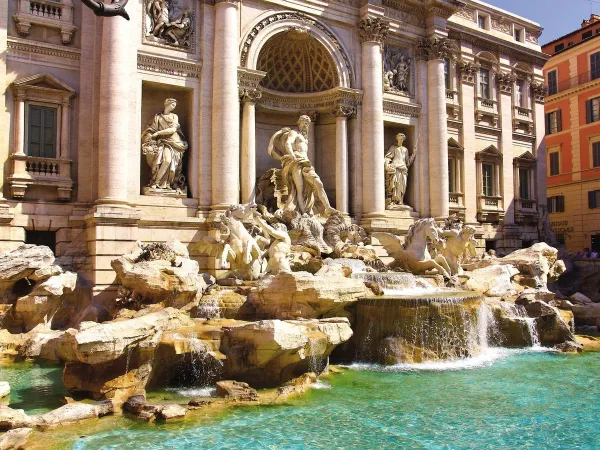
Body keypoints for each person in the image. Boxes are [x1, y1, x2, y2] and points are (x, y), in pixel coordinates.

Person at [267, 115, 336, 217]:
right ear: (299, 122)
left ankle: (328, 208)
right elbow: (288, 143)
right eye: (304, 122)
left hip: (306, 163)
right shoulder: (294, 132)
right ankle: (303, 212)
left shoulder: (305, 137)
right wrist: (292, 155)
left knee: (318, 183)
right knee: (299, 188)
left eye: (308, 123)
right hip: (296, 162)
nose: (306, 125)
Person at [141, 98, 188, 192]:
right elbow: (151, 130)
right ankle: (157, 183)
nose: (173, 107)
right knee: (162, 160)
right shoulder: (157, 117)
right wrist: (149, 138)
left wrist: (158, 133)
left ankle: (160, 183)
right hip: (161, 142)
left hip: (174, 142)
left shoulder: (174, 116)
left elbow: (172, 130)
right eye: (172, 105)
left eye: (175, 105)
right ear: (167, 104)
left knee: (167, 160)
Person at [384, 133, 416, 207]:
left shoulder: (405, 149)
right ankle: (393, 201)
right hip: (395, 167)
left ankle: (400, 200)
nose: (401, 140)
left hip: (403, 169)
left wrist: (414, 154)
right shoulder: (393, 148)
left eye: (402, 139)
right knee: (395, 184)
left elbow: (408, 162)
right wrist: (387, 165)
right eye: (399, 139)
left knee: (403, 185)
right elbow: (388, 157)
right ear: (397, 139)